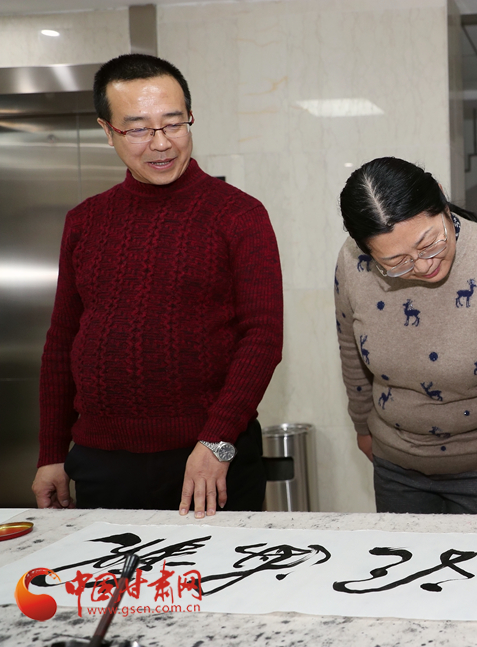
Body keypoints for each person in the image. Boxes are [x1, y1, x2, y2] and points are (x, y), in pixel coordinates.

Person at [31, 54, 283, 519]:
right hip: (101, 462)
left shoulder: (239, 214)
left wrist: (218, 440)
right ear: (108, 131)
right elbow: (62, 341)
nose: (162, 143)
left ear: (191, 117)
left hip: (208, 459)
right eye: (139, 129)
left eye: (174, 123)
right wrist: (51, 452)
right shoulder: (84, 221)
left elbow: (262, 337)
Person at [334, 157, 477, 514]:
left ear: (442, 201)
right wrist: (362, 423)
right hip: (396, 463)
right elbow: (351, 351)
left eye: (429, 243)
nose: (422, 265)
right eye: (396, 262)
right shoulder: (353, 266)